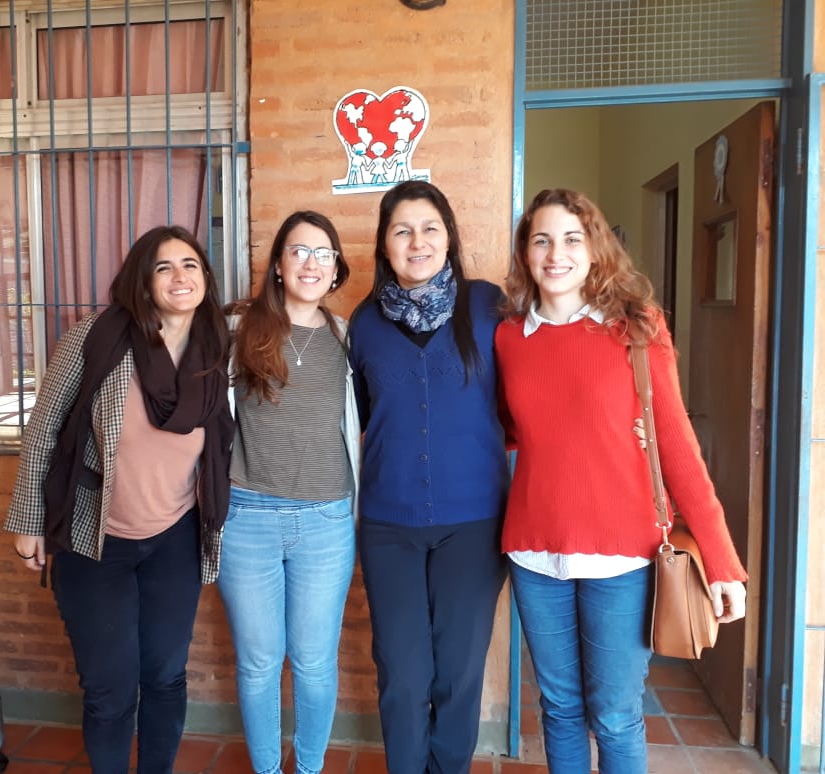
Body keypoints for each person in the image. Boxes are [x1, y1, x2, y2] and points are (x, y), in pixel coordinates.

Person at [495, 188, 748, 774]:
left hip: (622, 556)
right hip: (535, 552)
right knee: (557, 708)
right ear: (526, 253)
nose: (555, 253)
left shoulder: (636, 329)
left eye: (571, 239)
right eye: (541, 240)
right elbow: (512, 430)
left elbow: (680, 447)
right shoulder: (509, 338)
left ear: (595, 249)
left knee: (614, 715)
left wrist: (722, 561)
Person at [4, 225, 234, 774]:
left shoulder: (215, 346)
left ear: (205, 278)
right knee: (109, 687)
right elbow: (43, 429)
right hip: (95, 538)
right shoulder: (97, 337)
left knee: (164, 675)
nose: (179, 277)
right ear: (142, 279)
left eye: (190, 265)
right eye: (163, 267)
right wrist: (28, 520)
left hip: (176, 536)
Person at [348, 181, 508, 774]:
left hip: (475, 523)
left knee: (459, 673)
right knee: (402, 670)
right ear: (384, 246)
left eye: (430, 227)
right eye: (402, 230)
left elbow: (532, 397)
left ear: (449, 237)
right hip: (389, 524)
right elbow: (354, 422)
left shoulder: (488, 307)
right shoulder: (363, 325)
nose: (417, 242)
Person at [217, 211, 359, 774]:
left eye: (323, 253)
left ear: (335, 269)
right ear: (278, 264)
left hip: (327, 521)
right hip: (247, 517)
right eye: (299, 251)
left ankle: (309, 768)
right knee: (257, 663)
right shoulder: (236, 331)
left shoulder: (347, 337)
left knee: (315, 663)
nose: (311, 263)